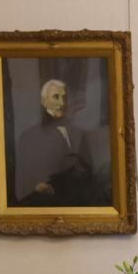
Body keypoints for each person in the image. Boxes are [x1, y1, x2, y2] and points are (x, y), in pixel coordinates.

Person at [13, 78, 107, 206]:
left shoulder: (79, 133)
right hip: (43, 206)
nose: (62, 102)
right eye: (56, 97)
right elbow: (22, 185)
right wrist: (36, 187)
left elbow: (90, 173)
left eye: (64, 97)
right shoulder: (28, 137)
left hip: (77, 206)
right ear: (44, 101)